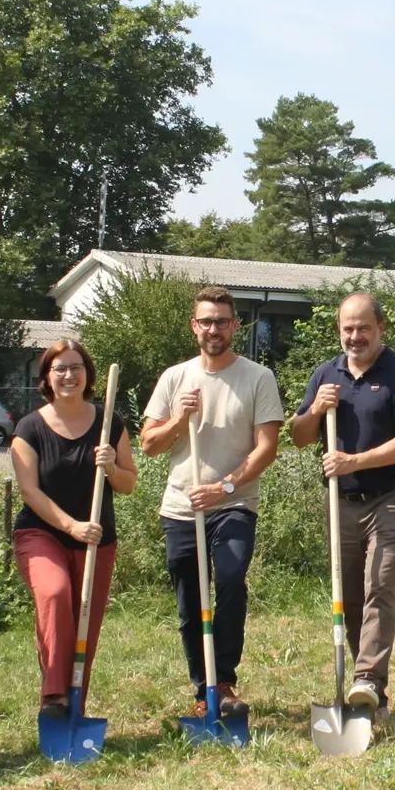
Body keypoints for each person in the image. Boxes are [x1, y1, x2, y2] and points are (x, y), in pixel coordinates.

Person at [139, 287, 283, 721]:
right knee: (189, 602)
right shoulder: (174, 378)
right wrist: (179, 418)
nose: (214, 328)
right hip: (182, 508)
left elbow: (267, 448)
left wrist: (224, 486)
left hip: (233, 503)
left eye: (222, 321)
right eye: (206, 321)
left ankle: (224, 679)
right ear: (194, 326)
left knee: (232, 579)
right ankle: (203, 688)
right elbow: (148, 444)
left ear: (234, 326)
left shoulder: (258, 378)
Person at [289, 292, 395, 714]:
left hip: (392, 498)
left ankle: (368, 677)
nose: (355, 336)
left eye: (363, 328)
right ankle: (369, 691)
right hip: (342, 501)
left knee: (379, 587)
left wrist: (355, 460)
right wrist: (315, 409)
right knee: (348, 596)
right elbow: (298, 437)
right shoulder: (325, 373)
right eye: (347, 328)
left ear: (380, 328)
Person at [12, 339, 138, 720]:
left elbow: (129, 483)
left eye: (76, 368)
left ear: (88, 375)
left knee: (86, 620)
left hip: (97, 539)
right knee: (54, 595)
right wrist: (71, 526)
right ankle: (54, 696)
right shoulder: (30, 427)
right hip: (42, 533)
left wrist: (112, 466)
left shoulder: (109, 422)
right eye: (60, 368)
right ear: (47, 378)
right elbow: (29, 491)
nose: (68, 375)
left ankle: (75, 703)